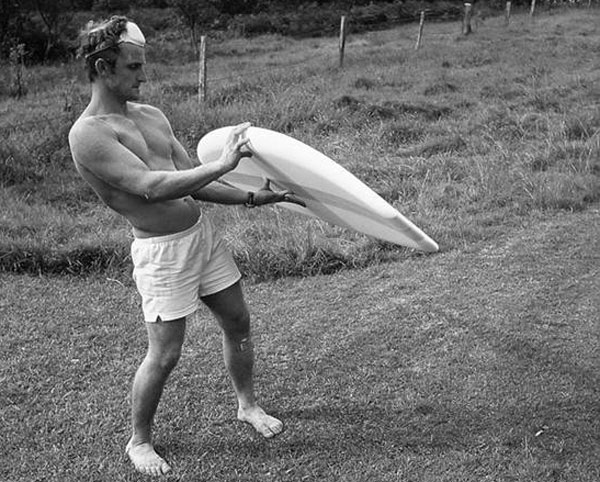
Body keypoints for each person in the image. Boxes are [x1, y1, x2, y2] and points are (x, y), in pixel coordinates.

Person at [68, 16, 304, 477]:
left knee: (238, 322)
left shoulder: (152, 116)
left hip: (201, 236)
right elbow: (151, 186)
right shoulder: (89, 134)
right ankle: (139, 441)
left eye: (142, 65)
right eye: (133, 66)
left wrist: (252, 197)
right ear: (102, 67)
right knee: (165, 354)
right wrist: (225, 163)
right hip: (162, 253)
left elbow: (191, 183)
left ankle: (247, 406)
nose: (143, 75)